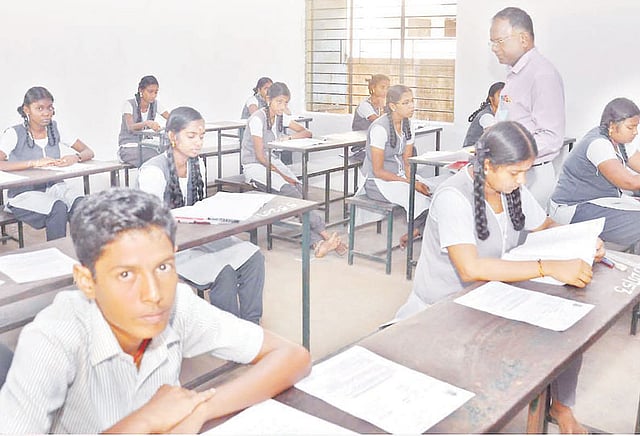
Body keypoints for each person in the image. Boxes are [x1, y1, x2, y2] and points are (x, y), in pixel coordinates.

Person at [0, 188, 311, 433]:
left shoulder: (178, 304)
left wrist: (201, 408)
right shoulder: (52, 337)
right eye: (126, 274)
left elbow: (294, 356)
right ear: (87, 281)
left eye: (163, 266)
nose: (154, 294)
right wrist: (144, 421)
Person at [397, 121, 602, 434]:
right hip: (444, 310)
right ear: (488, 165)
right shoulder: (453, 196)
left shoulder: (510, 188)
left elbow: (545, 226)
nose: (522, 181)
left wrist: (583, 241)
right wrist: (547, 266)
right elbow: (471, 268)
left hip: (491, 296)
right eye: (515, 173)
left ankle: (561, 405)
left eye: (525, 172)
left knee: (566, 327)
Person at [138, 106, 265, 324]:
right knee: (224, 272)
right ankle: (228, 332)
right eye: (191, 136)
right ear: (172, 136)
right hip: (167, 247)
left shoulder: (197, 164)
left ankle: (251, 325)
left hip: (197, 236)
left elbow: (200, 209)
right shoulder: (153, 171)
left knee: (254, 256)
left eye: (201, 136)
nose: (198, 142)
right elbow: (149, 228)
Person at [241, 81, 346, 257]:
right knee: (292, 192)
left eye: (285, 102)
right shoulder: (257, 119)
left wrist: (288, 139)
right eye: (279, 102)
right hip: (255, 166)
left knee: (299, 190)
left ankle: (318, 243)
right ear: (268, 99)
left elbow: (306, 133)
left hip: (272, 162)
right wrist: (284, 176)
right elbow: (259, 156)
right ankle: (325, 235)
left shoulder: (280, 117)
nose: (283, 106)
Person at [490, 7, 565, 208]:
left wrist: (509, 151)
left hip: (531, 174)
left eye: (499, 41)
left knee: (524, 228)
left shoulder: (542, 75)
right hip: (509, 170)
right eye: (492, 42)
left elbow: (551, 137)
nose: (494, 48)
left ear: (523, 39)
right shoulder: (516, 73)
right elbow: (508, 115)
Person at [0, 86, 95, 241]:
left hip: (55, 187)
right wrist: (34, 163)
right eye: (40, 108)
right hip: (23, 193)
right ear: (26, 110)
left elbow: (88, 151)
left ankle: (83, 251)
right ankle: (55, 253)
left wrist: (75, 157)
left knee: (82, 204)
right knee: (58, 208)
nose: (46, 113)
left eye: (50, 108)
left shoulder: (55, 129)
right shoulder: (14, 133)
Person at [550, 98, 640, 252]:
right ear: (612, 126)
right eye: (630, 127)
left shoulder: (619, 143)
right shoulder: (598, 144)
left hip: (600, 200)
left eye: (636, 127)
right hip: (573, 208)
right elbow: (629, 182)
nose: (635, 132)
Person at [360, 84, 432, 248]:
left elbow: (407, 161)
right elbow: (378, 171)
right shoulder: (379, 128)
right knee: (418, 200)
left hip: (398, 177)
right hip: (377, 182)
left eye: (412, 101)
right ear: (393, 106)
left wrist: (413, 180)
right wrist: (411, 184)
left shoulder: (409, 125)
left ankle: (418, 230)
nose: (412, 106)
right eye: (406, 103)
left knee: (433, 192)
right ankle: (417, 232)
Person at [118, 75, 170, 167]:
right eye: (150, 92)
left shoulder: (155, 104)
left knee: (169, 153)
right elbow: (130, 127)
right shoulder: (129, 104)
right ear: (141, 90)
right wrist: (147, 123)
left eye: (156, 92)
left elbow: (170, 117)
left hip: (146, 145)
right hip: (129, 147)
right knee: (157, 157)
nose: (153, 95)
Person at [462, 81, 505, 148]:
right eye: (500, 96)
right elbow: (494, 139)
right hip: (472, 152)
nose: (504, 99)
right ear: (491, 98)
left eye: (505, 96)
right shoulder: (486, 116)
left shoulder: (501, 113)